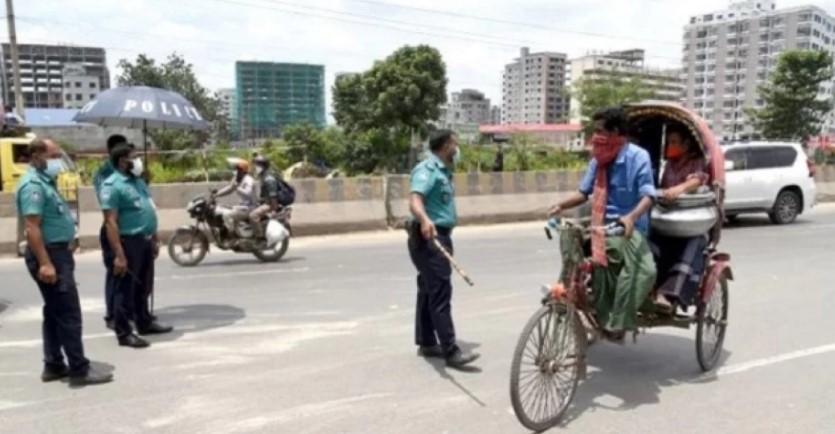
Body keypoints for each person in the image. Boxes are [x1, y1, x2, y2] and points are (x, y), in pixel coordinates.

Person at [547, 107, 657, 341]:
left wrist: (631, 217)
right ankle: (569, 290)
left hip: (630, 228)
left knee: (644, 271)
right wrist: (560, 205)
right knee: (571, 241)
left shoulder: (638, 157)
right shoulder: (598, 159)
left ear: (614, 132)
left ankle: (618, 318)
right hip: (601, 225)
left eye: (599, 131)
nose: (595, 136)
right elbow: (583, 192)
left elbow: (648, 194)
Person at [15, 138, 113, 385]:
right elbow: (31, 227)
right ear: (37, 156)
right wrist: (46, 263)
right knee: (69, 314)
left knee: (54, 312)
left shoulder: (47, 182)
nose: (58, 161)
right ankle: (79, 368)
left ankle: (53, 364)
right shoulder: (33, 186)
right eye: (53, 155)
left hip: (58, 253)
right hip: (49, 255)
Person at [407, 129, 480, 368]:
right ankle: (451, 351)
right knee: (439, 292)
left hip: (437, 235)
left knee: (427, 290)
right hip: (430, 236)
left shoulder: (444, 172)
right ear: (445, 146)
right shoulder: (427, 170)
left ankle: (427, 341)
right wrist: (425, 219)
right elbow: (415, 198)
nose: (457, 147)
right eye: (454, 143)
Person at [100, 144, 173, 348]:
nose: (139, 160)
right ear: (123, 161)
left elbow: (147, 208)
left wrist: (154, 237)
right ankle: (124, 333)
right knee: (125, 290)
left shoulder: (138, 181)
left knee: (144, 285)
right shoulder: (112, 185)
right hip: (127, 241)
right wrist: (119, 254)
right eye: (135, 157)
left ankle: (144, 322)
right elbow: (110, 222)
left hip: (145, 239)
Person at [651, 126, 710, 311]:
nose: (670, 146)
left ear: (686, 144)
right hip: (668, 220)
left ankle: (668, 293)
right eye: (668, 142)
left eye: (674, 142)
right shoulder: (669, 164)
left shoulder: (696, 161)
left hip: (691, 223)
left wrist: (679, 189)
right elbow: (662, 188)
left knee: (690, 244)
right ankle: (648, 288)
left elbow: (698, 179)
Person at [93, 134, 129, 330]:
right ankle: (112, 315)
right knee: (115, 273)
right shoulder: (104, 175)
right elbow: (107, 203)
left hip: (131, 231)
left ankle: (127, 311)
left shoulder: (129, 174)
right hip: (113, 228)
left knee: (129, 276)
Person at [212, 160, 256, 235]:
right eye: (237, 170)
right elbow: (230, 189)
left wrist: (237, 188)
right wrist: (217, 195)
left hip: (249, 208)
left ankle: (231, 235)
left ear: (244, 171)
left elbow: (248, 193)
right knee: (221, 208)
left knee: (226, 215)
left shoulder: (248, 180)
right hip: (242, 207)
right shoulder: (239, 179)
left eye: (239, 170)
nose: (237, 172)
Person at [248, 155, 281, 238]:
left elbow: (273, 196)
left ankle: (259, 237)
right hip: (265, 203)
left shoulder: (269, 179)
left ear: (263, 166)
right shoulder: (263, 177)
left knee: (253, 215)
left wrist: (273, 210)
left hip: (270, 204)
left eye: (257, 165)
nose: (255, 167)